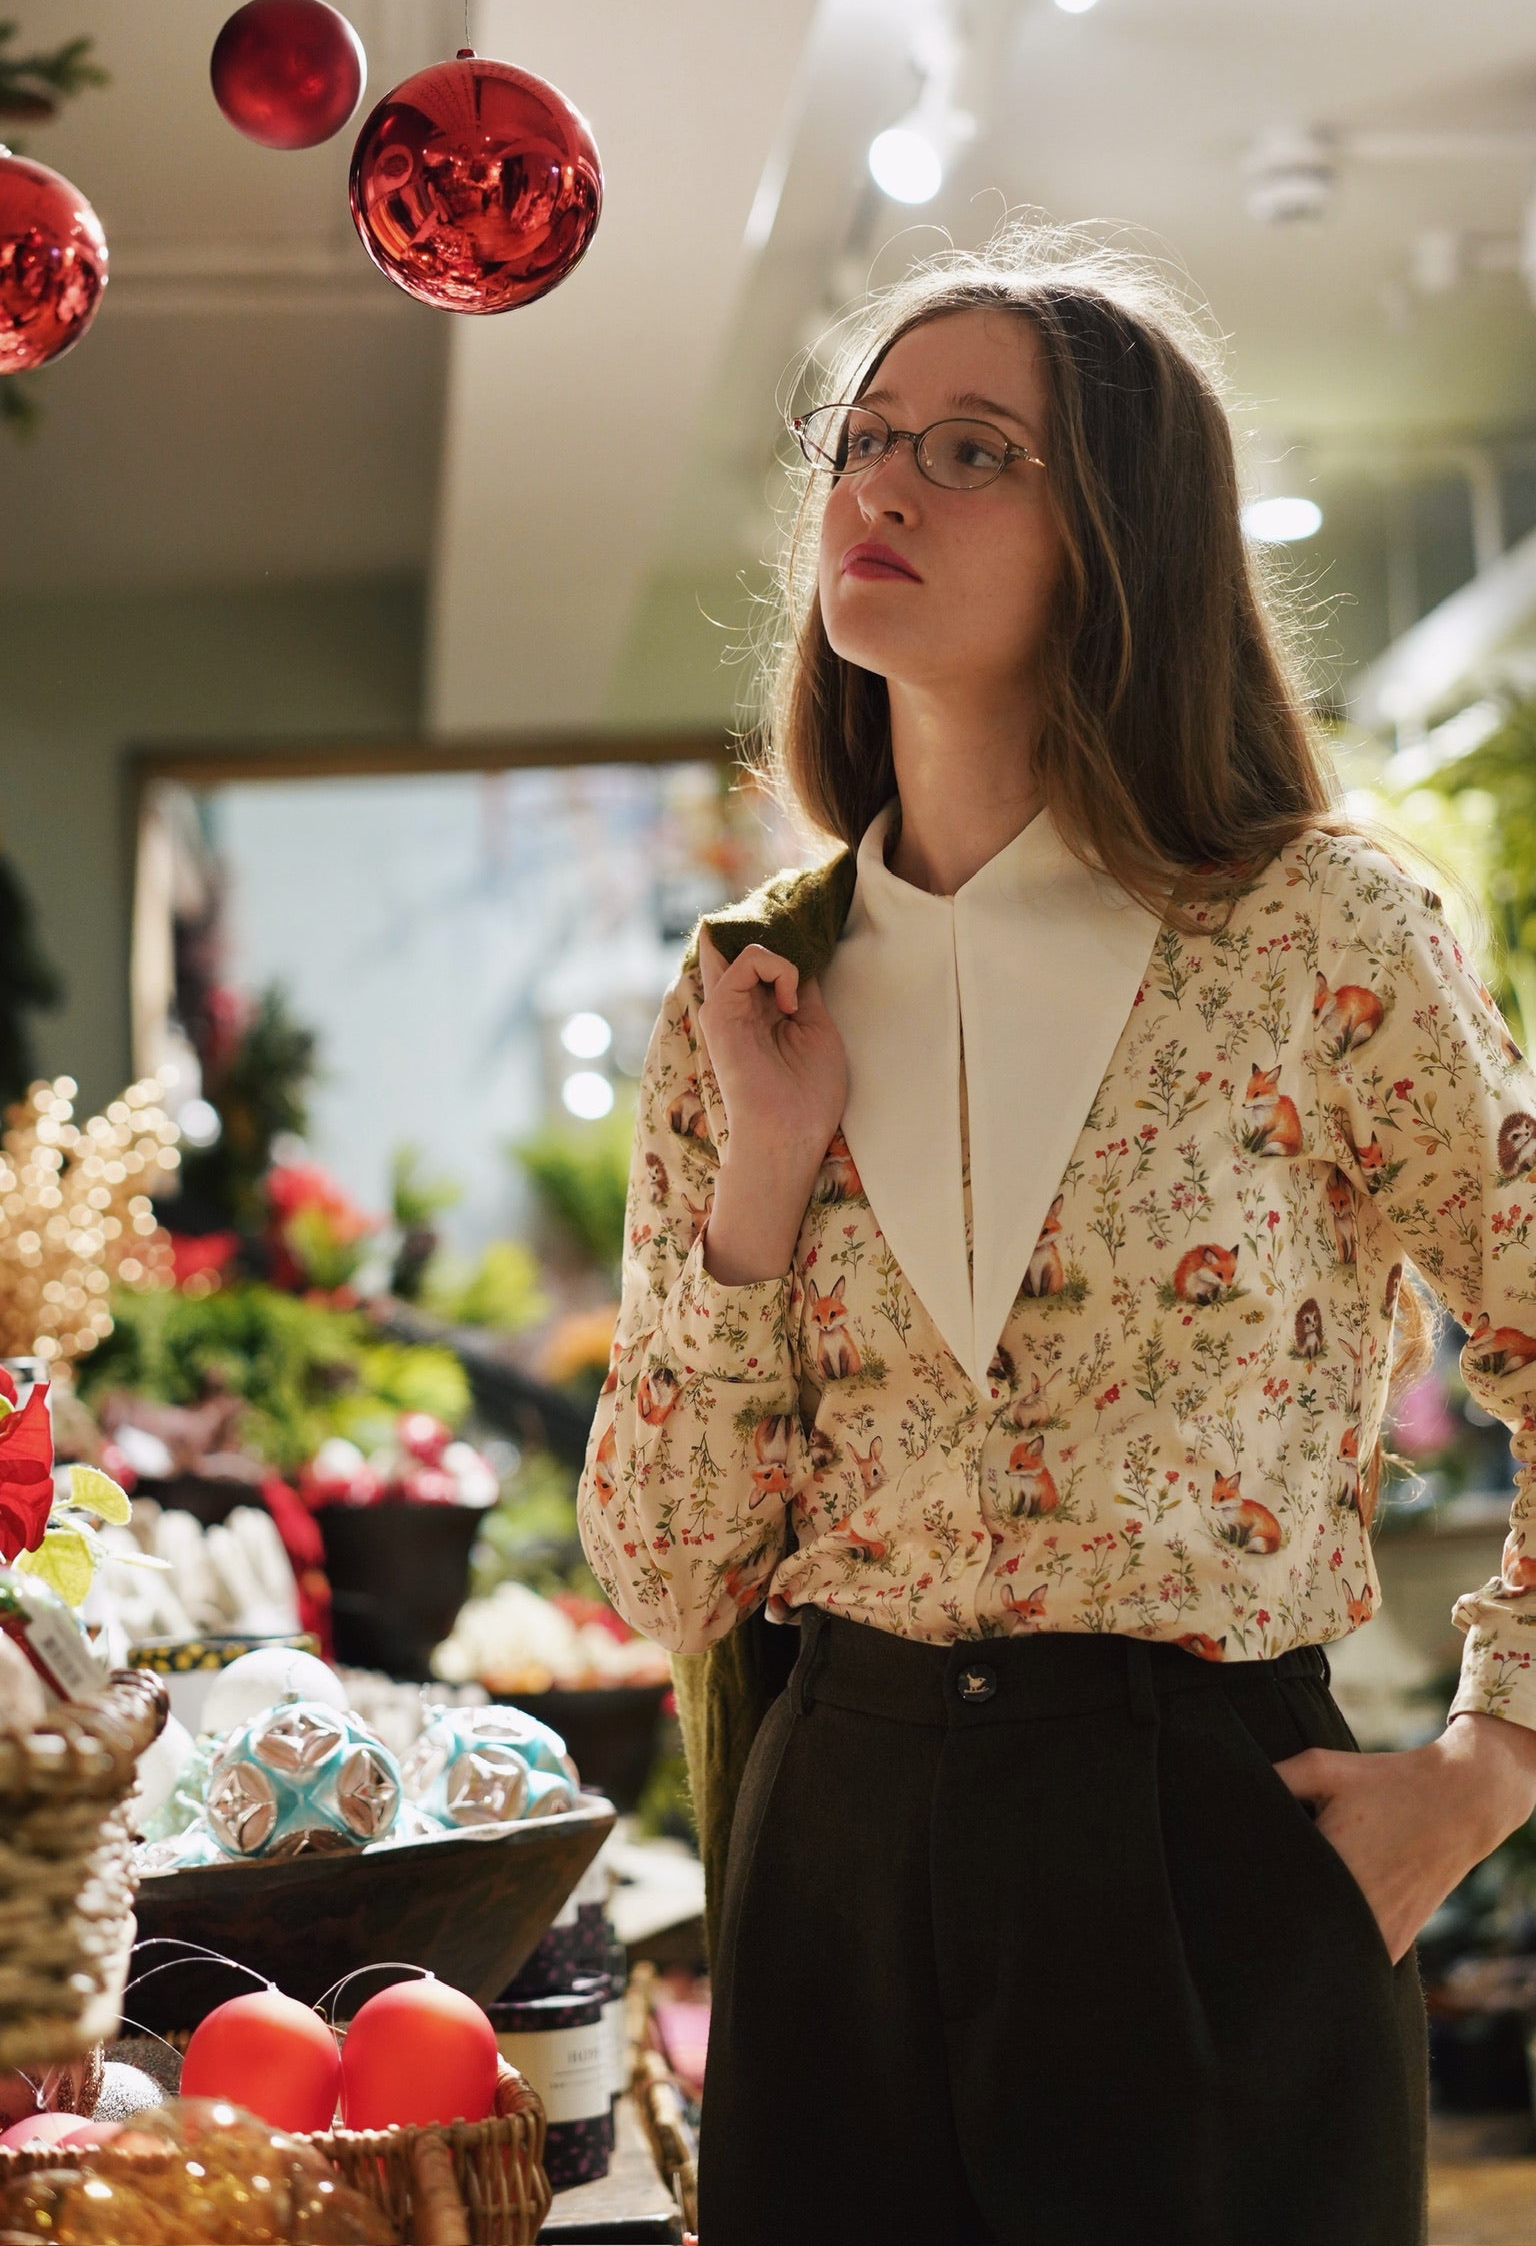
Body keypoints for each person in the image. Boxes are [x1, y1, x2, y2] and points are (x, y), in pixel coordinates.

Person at [576, 225, 1536, 2246]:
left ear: (1125, 537)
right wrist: (760, 1186)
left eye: (974, 450)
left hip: (1202, 1833)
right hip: (837, 1831)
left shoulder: (1316, 932)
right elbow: (667, 1562)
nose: (884, 485)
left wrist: (1495, 1756)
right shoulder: (755, 985)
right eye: (865, 439)